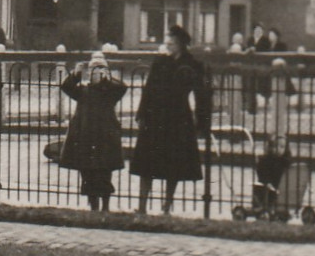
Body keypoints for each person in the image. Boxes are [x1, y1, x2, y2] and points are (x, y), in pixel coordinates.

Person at [131, 25, 210, 216]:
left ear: (181, 44)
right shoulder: (160, 62)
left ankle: (167, 205)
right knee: (147, 163)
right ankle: (141, 206)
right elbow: (148, 88)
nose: (168, 47)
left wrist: (202, 122)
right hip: (155, 116)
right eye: (166, 43)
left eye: (172, 43)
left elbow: (202, 95)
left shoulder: (192, 64)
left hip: (178, 118)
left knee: (173, 165)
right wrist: (142, 113)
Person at [58, 52, 128, 213]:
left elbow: (122, 88)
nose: (96, 73)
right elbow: (66, 87)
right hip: (86, 136)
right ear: (88, 73)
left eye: (101, 69)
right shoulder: (83, 91)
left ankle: (105, 204)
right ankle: (93, 202)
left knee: (105, 171)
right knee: (87, 172)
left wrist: (107, 80)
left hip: (105, 136)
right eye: (93, 70)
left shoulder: (110, 91)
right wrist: (75, 74)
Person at [253, 133, 293, 216]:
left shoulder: (285, 161)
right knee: (261, 188)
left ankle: (270, 207)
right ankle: (264, 207)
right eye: (275, 146)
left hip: (278, 186)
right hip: (270, 185)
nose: (278, 149)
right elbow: (262, 173)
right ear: (270, 147)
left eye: (282, 147)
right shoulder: (266, 160)